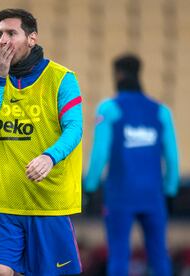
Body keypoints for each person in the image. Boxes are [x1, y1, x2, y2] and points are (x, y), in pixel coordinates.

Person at [0, 9, 83, 276]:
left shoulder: (62, 79)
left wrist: (49, 156)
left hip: (47, 203)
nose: (3, 41)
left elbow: (74, 129)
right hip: (1, 200)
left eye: (11, 33)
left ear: (32, 38)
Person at [85, 54, 179, 276]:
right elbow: (172, 156)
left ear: (117, 74)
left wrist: (89, 187)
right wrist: (171, 190)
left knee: (118, 256)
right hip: (153, 195)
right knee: (159, 257)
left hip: (120, 195)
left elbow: (99, 154)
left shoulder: (108, 109)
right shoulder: (161, 111)